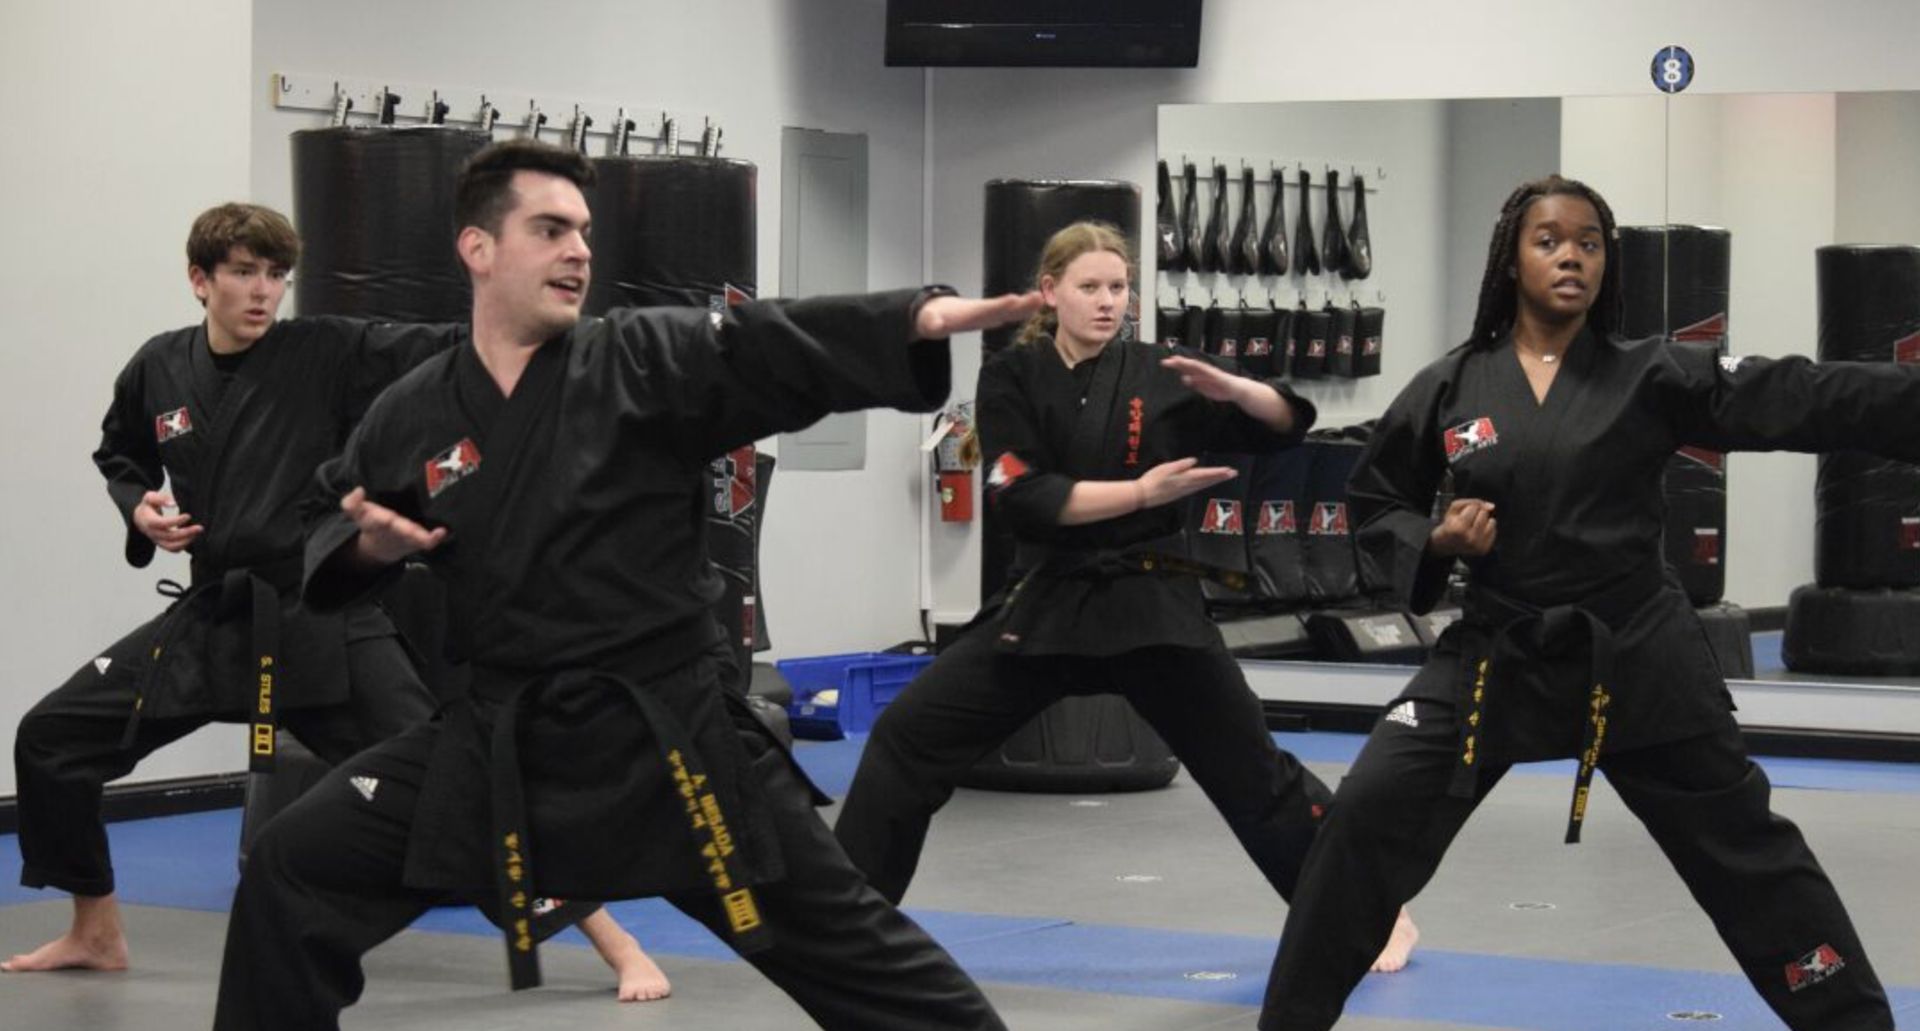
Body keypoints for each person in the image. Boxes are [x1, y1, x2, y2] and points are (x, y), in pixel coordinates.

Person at [211, 139, 1038, 1031]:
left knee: (862, 958)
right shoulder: (415, 409)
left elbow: (766, 342)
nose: (579, 250)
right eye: (551, 227)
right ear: (477, 248)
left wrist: (909, 320)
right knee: (293, 868)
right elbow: (329, 519)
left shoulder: (643, 358)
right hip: (501, 741)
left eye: (586, 232)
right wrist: (368, 551)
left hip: (666, 738)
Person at [1259, 175, 1904, 1031]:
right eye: (1550, 240)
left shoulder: (1652, 373)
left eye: (1590, 243)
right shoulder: (1452, 386)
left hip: (1636, 655)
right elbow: (1376, 503)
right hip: (1500, 652)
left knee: (1751, 857)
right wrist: (1438, 541)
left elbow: (1804, 394)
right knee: (1363, 818)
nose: (1571, 256)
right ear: (1511, 259)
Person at [3, 202, 667, 1003]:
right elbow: (121, 450)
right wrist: (140, 502)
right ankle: (95, 927)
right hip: (217, 614)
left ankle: (616, 940)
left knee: (459, 779)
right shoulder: (159, 366)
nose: (263, 292)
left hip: (322, 616)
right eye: (244, 272)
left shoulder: (327, 350)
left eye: (275, 274)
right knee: (51, 737)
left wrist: (529, 313)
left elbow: (450, 348)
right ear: (199, 279)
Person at [831, 221, 1418, 974]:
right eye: (1091, 288)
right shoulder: (1012, 376)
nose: (1109, 302)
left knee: (1253, 775)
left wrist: (1247, 391)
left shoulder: (1165, 369)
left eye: (1119, 287)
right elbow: (1022, 494)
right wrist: (1139, 490)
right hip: (1047, 605)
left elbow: (1284, 429)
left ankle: (1370, 907)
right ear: (1050, 292)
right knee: (907, 738)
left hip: (1154, 608)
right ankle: (848, 921)